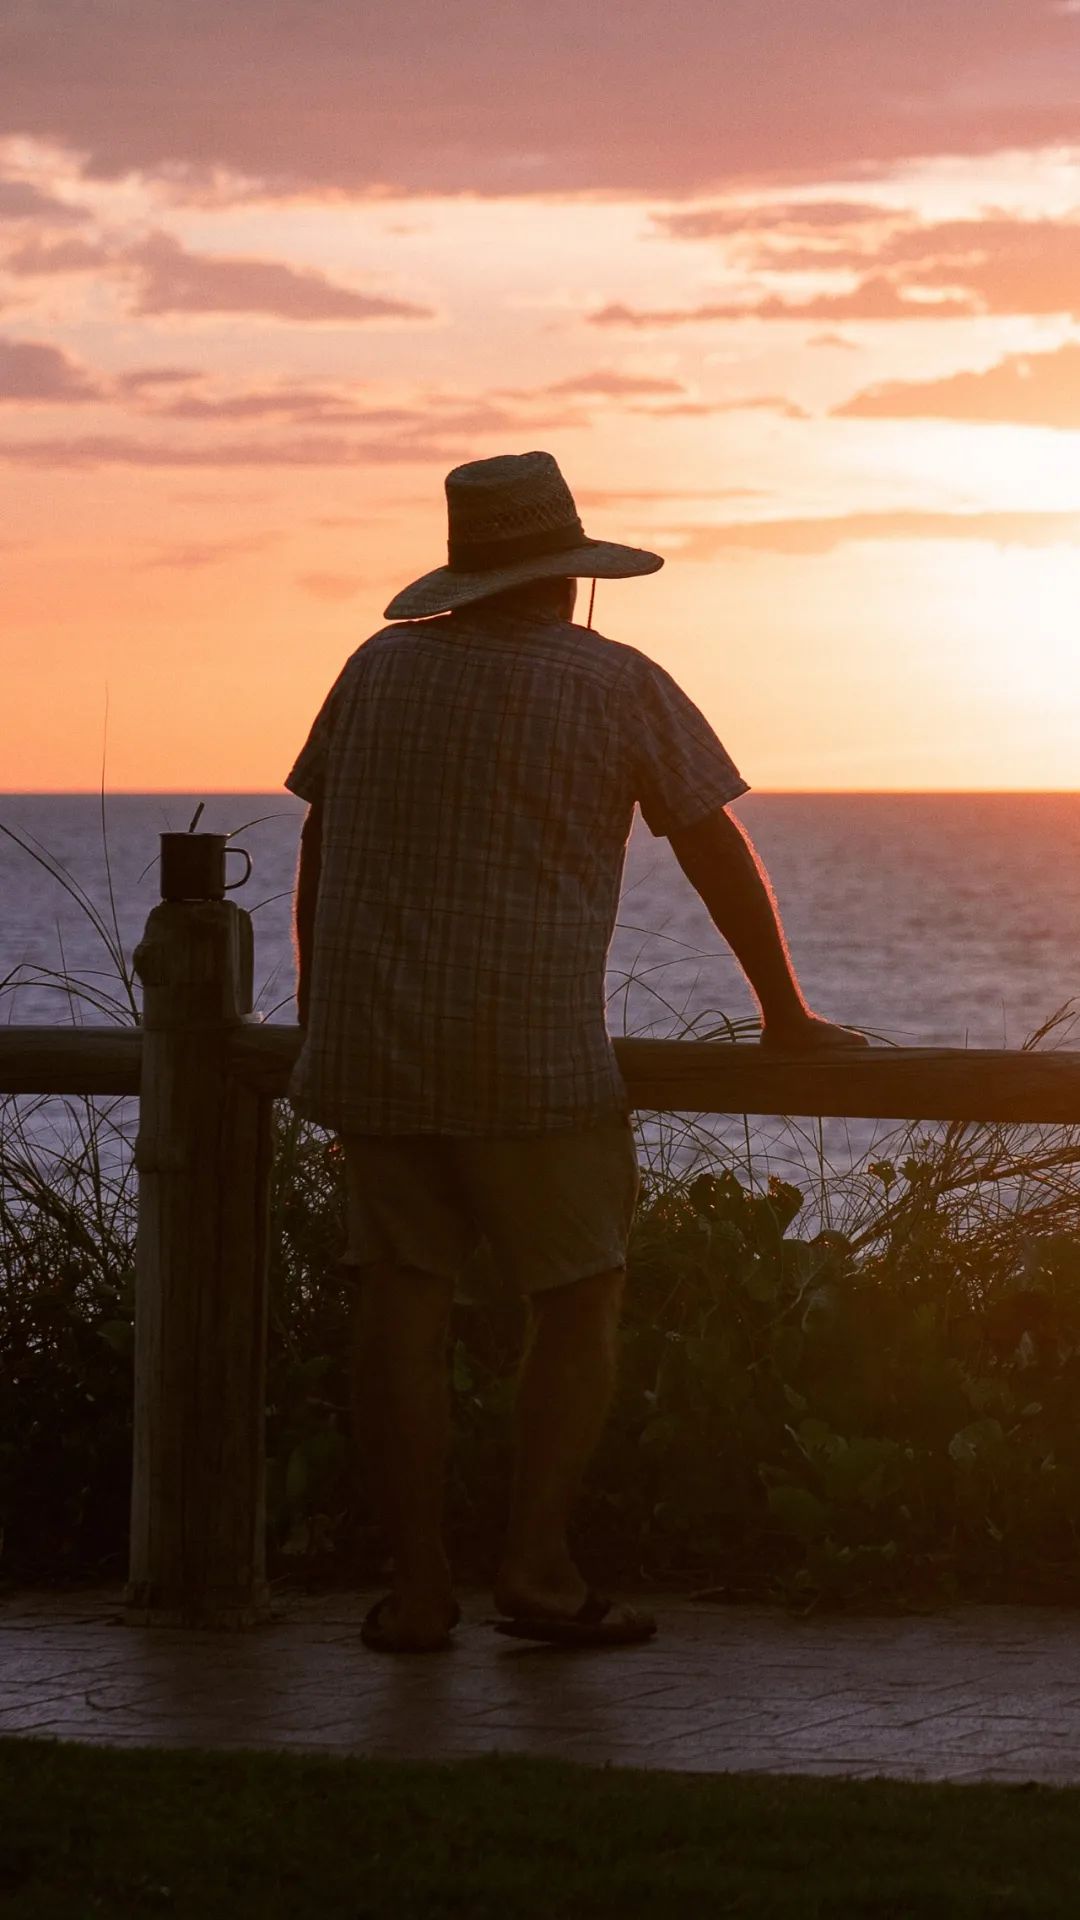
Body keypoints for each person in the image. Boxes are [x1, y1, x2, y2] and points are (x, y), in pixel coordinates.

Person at [286, 450, 866, 1654]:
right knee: (579, 1298)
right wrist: (785, 1014)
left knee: (401, 1306)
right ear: (571, 578)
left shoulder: (376, 669)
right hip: (534, 1058)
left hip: (379, 1052)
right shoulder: (615, 682)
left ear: (462, 570)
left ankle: (418, 1586)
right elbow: (711, 845)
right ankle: (538, 1570)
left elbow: (322, 847)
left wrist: (320, 1005)